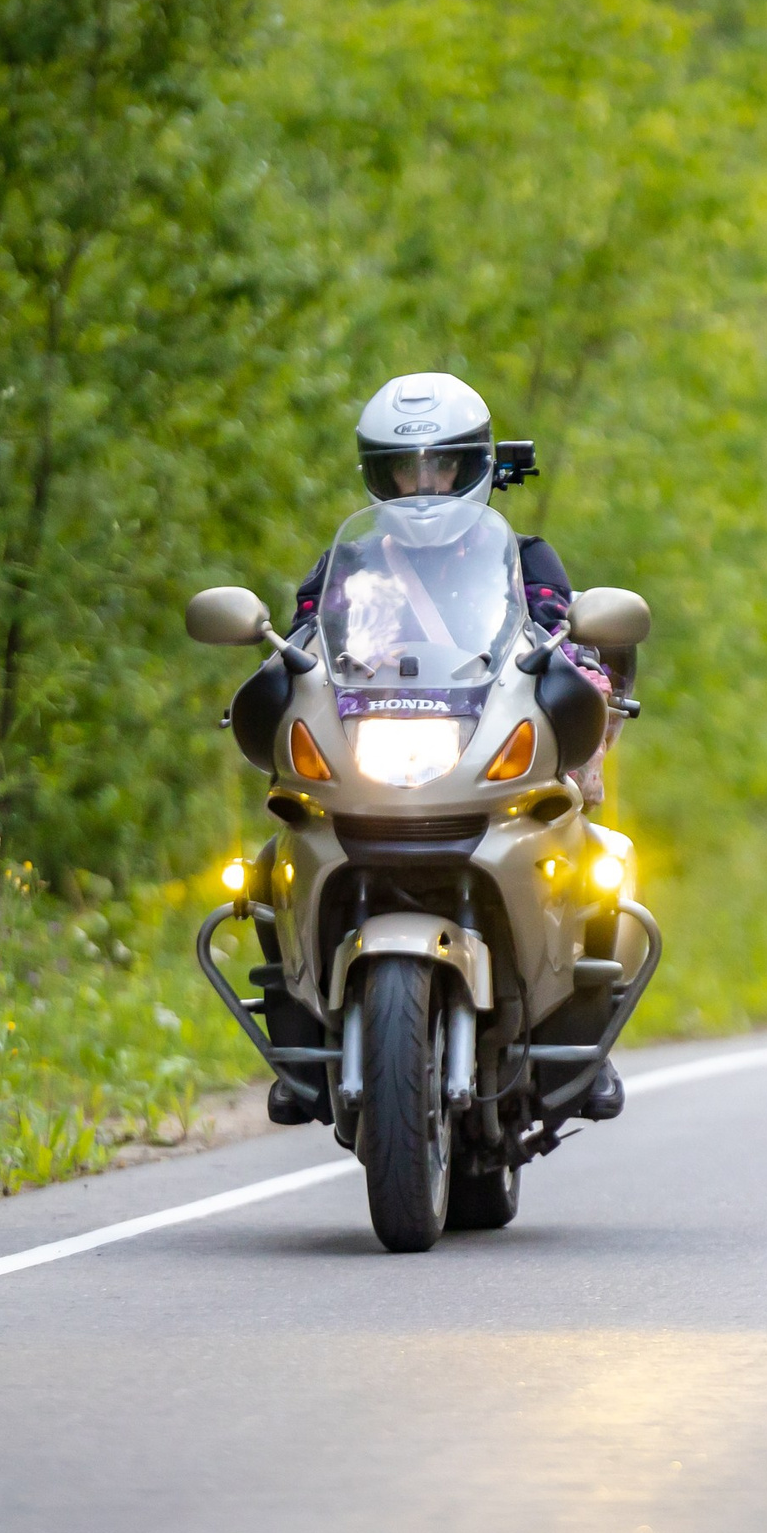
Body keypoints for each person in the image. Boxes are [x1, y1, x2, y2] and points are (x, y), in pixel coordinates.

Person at [284, 371, 627, 1121]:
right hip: (370, 765)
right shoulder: (354, 566)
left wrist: (586, 671)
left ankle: (585, 1030)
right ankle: (295, 1005)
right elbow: (305, 634)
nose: (424, 483)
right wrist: (277, 665)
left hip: (482, 756)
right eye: (404, 468)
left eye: (442, 464)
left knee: (595, 854)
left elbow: (564, 630)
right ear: (378, 473)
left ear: (476, 466)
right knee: (278, 847)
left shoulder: (526, 559)